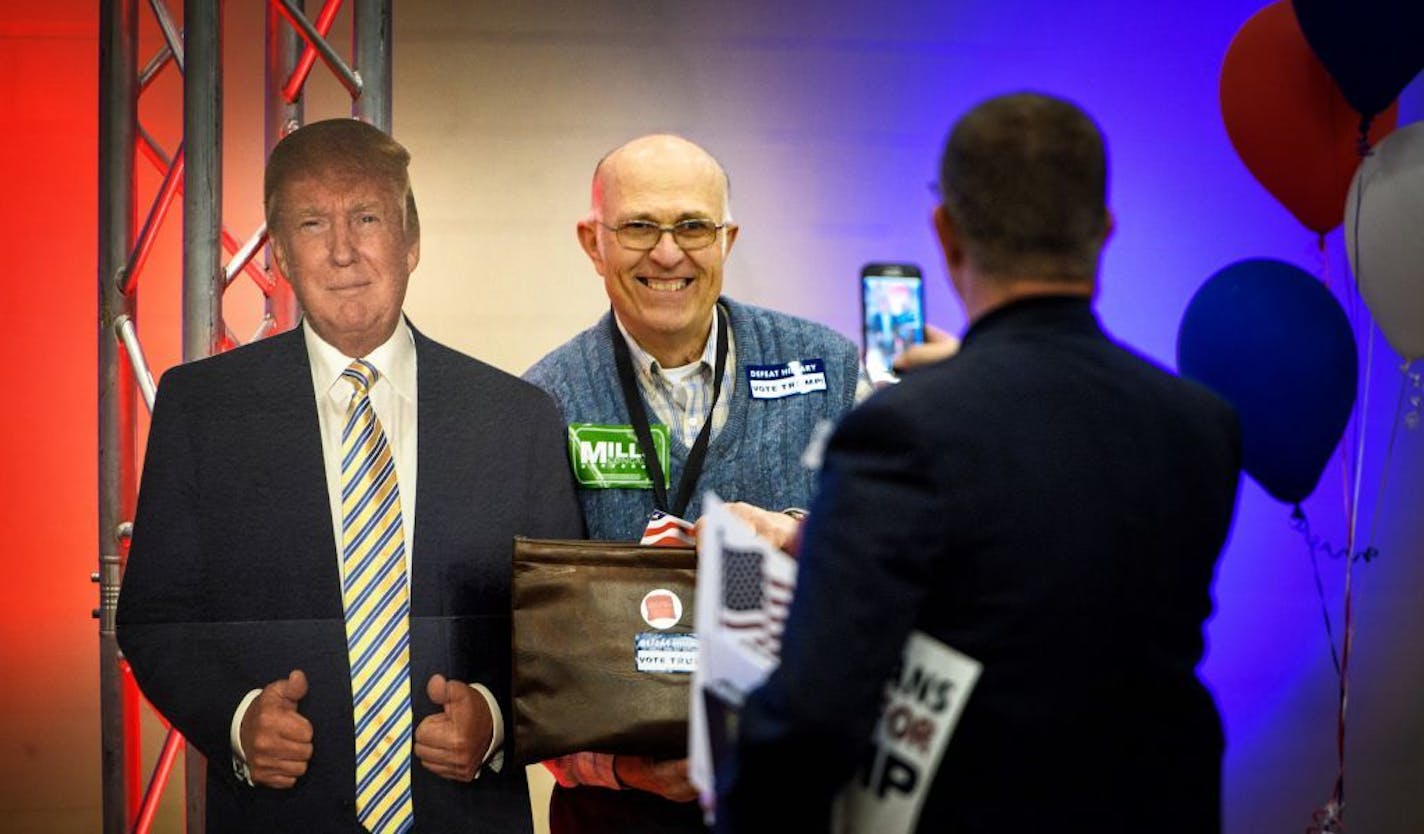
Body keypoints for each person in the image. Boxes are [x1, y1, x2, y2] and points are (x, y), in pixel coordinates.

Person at [715, 92, 1242, 833]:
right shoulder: (1203, 425)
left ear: (946, 231)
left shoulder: (902, 430)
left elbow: (814, 712)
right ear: (1105, 231)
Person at [116, 118, 583, 833]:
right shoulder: (202, 410)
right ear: (278, 255)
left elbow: (564, 628)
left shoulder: (517, 416)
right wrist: (238, 724)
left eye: (366, 217)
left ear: (412, 239)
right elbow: (157, 620)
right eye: (312, 223)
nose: (342, 251)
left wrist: (492, 722)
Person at [522, 133, 865, 833]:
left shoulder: (827, 368)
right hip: (614, 811)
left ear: (727, 238)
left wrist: (794, 533)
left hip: (792, 796)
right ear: (594, 242)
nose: (669, 253)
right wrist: (621, 769)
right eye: (640, 226)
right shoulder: (540, 402)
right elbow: (530, 646)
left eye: (693, 226)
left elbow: (887, 564)